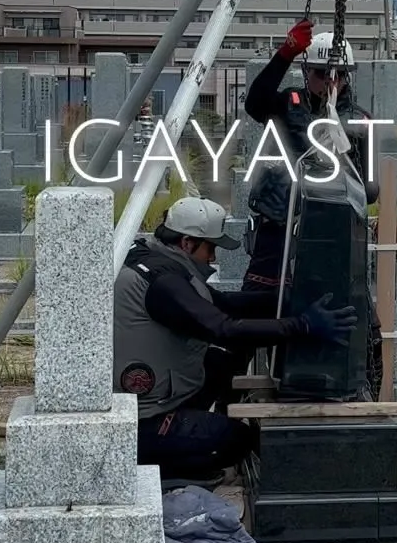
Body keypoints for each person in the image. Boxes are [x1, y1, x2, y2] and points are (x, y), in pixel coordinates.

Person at [114, 193, 356, 485]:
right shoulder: (163, 283)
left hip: (158, 398)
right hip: (141, 424)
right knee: (236, 440)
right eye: (210, 249)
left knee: (222, 361)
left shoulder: (160, 261)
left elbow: (223, 303)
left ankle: (186, 436)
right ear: (188, 243)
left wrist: (286, 301)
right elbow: (224, 328)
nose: (213, 259)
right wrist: (303, 326)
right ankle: (166, 471)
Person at [243, 20, 383, 396]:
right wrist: (285, 52)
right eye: (322, 73)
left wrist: (343, 176)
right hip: (278, 224)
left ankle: (357, 385)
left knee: (357, 315)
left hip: (330, 234)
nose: (330, 82)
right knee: (255, 306)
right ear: (308, 73)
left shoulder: (359, 121)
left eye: (339, 75)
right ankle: (229, 391)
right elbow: (254, 102)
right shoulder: (288, 103)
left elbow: (370, 188)